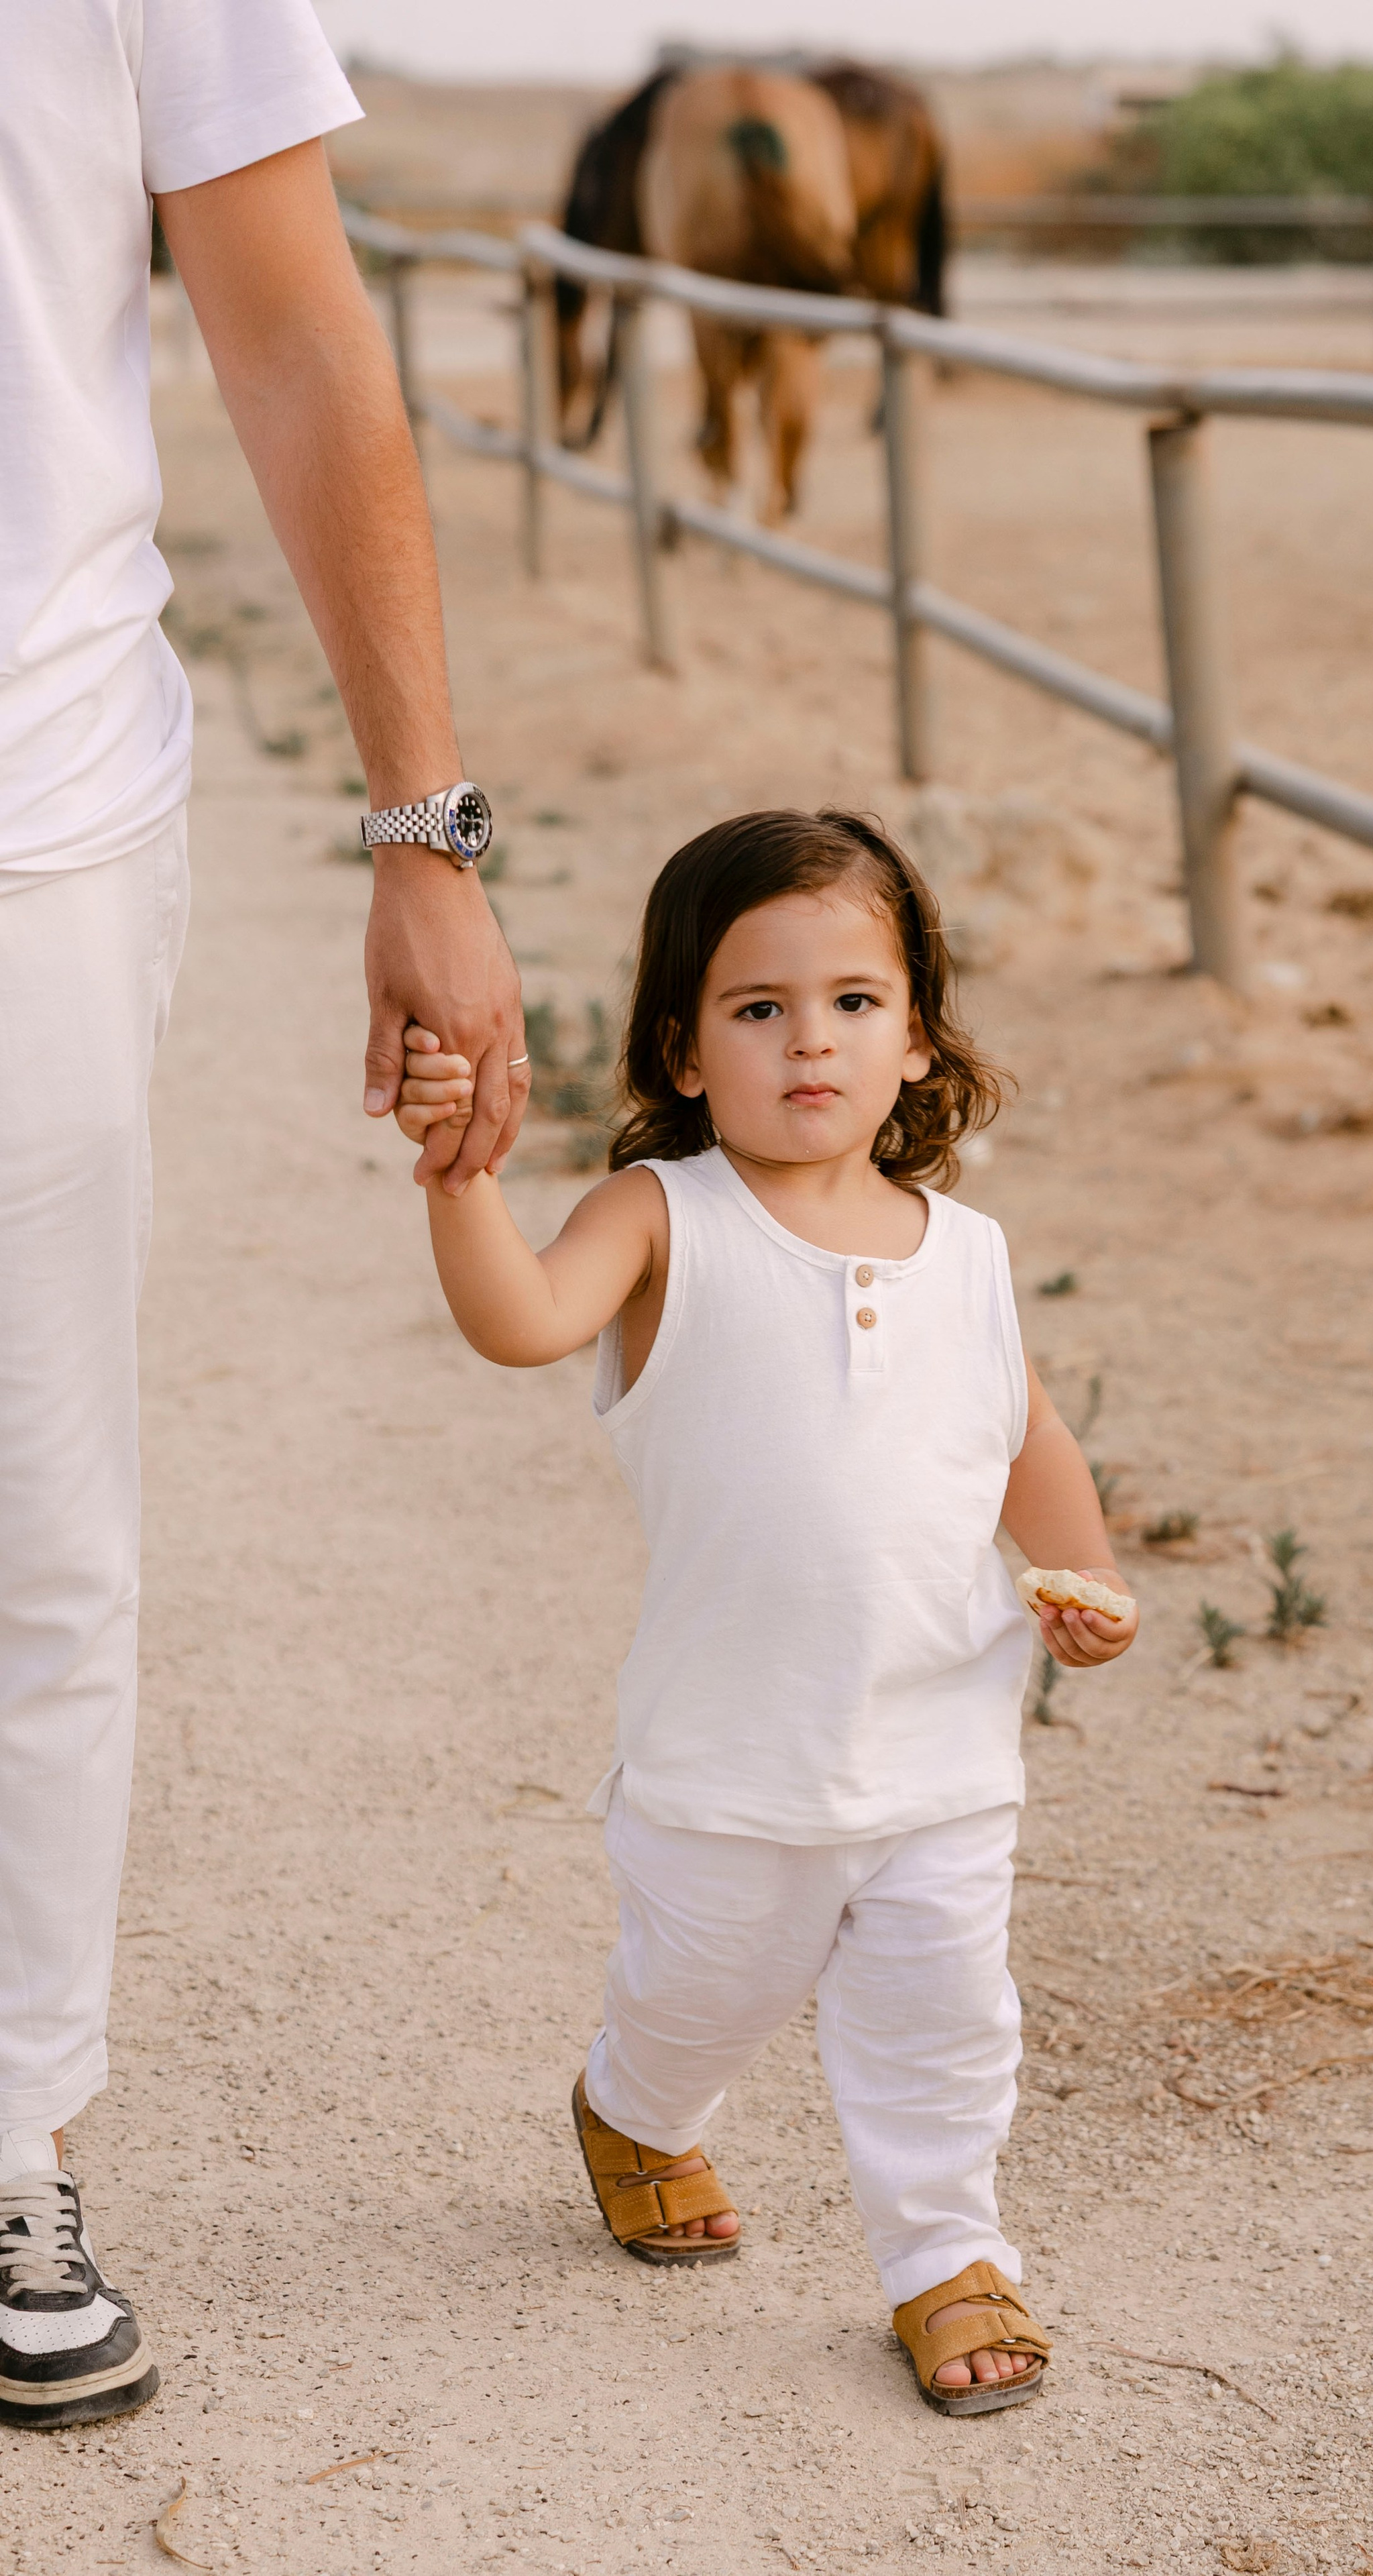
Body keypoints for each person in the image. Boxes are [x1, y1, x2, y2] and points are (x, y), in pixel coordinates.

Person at [1, 3, 525, 2430]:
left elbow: (297, 335)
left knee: (34, 1525)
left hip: (32, 819)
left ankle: (11, 2136)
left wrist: (427, 836)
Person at [390, 808, 1138, 2412]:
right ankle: (634, 2111)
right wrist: (462, 1179)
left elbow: (1026, 1433)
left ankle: (946, 2257)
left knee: (944, 2022)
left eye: (855, 1001)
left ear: (916, 1034)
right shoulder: (665, 1218)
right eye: (757, 1007)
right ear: (681, 1047)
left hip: (940, 1747)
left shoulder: (968, 1252)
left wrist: (1077, 1575)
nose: (811, 1040)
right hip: (730, 1760)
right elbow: (521, 1321)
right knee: (699, 2002)